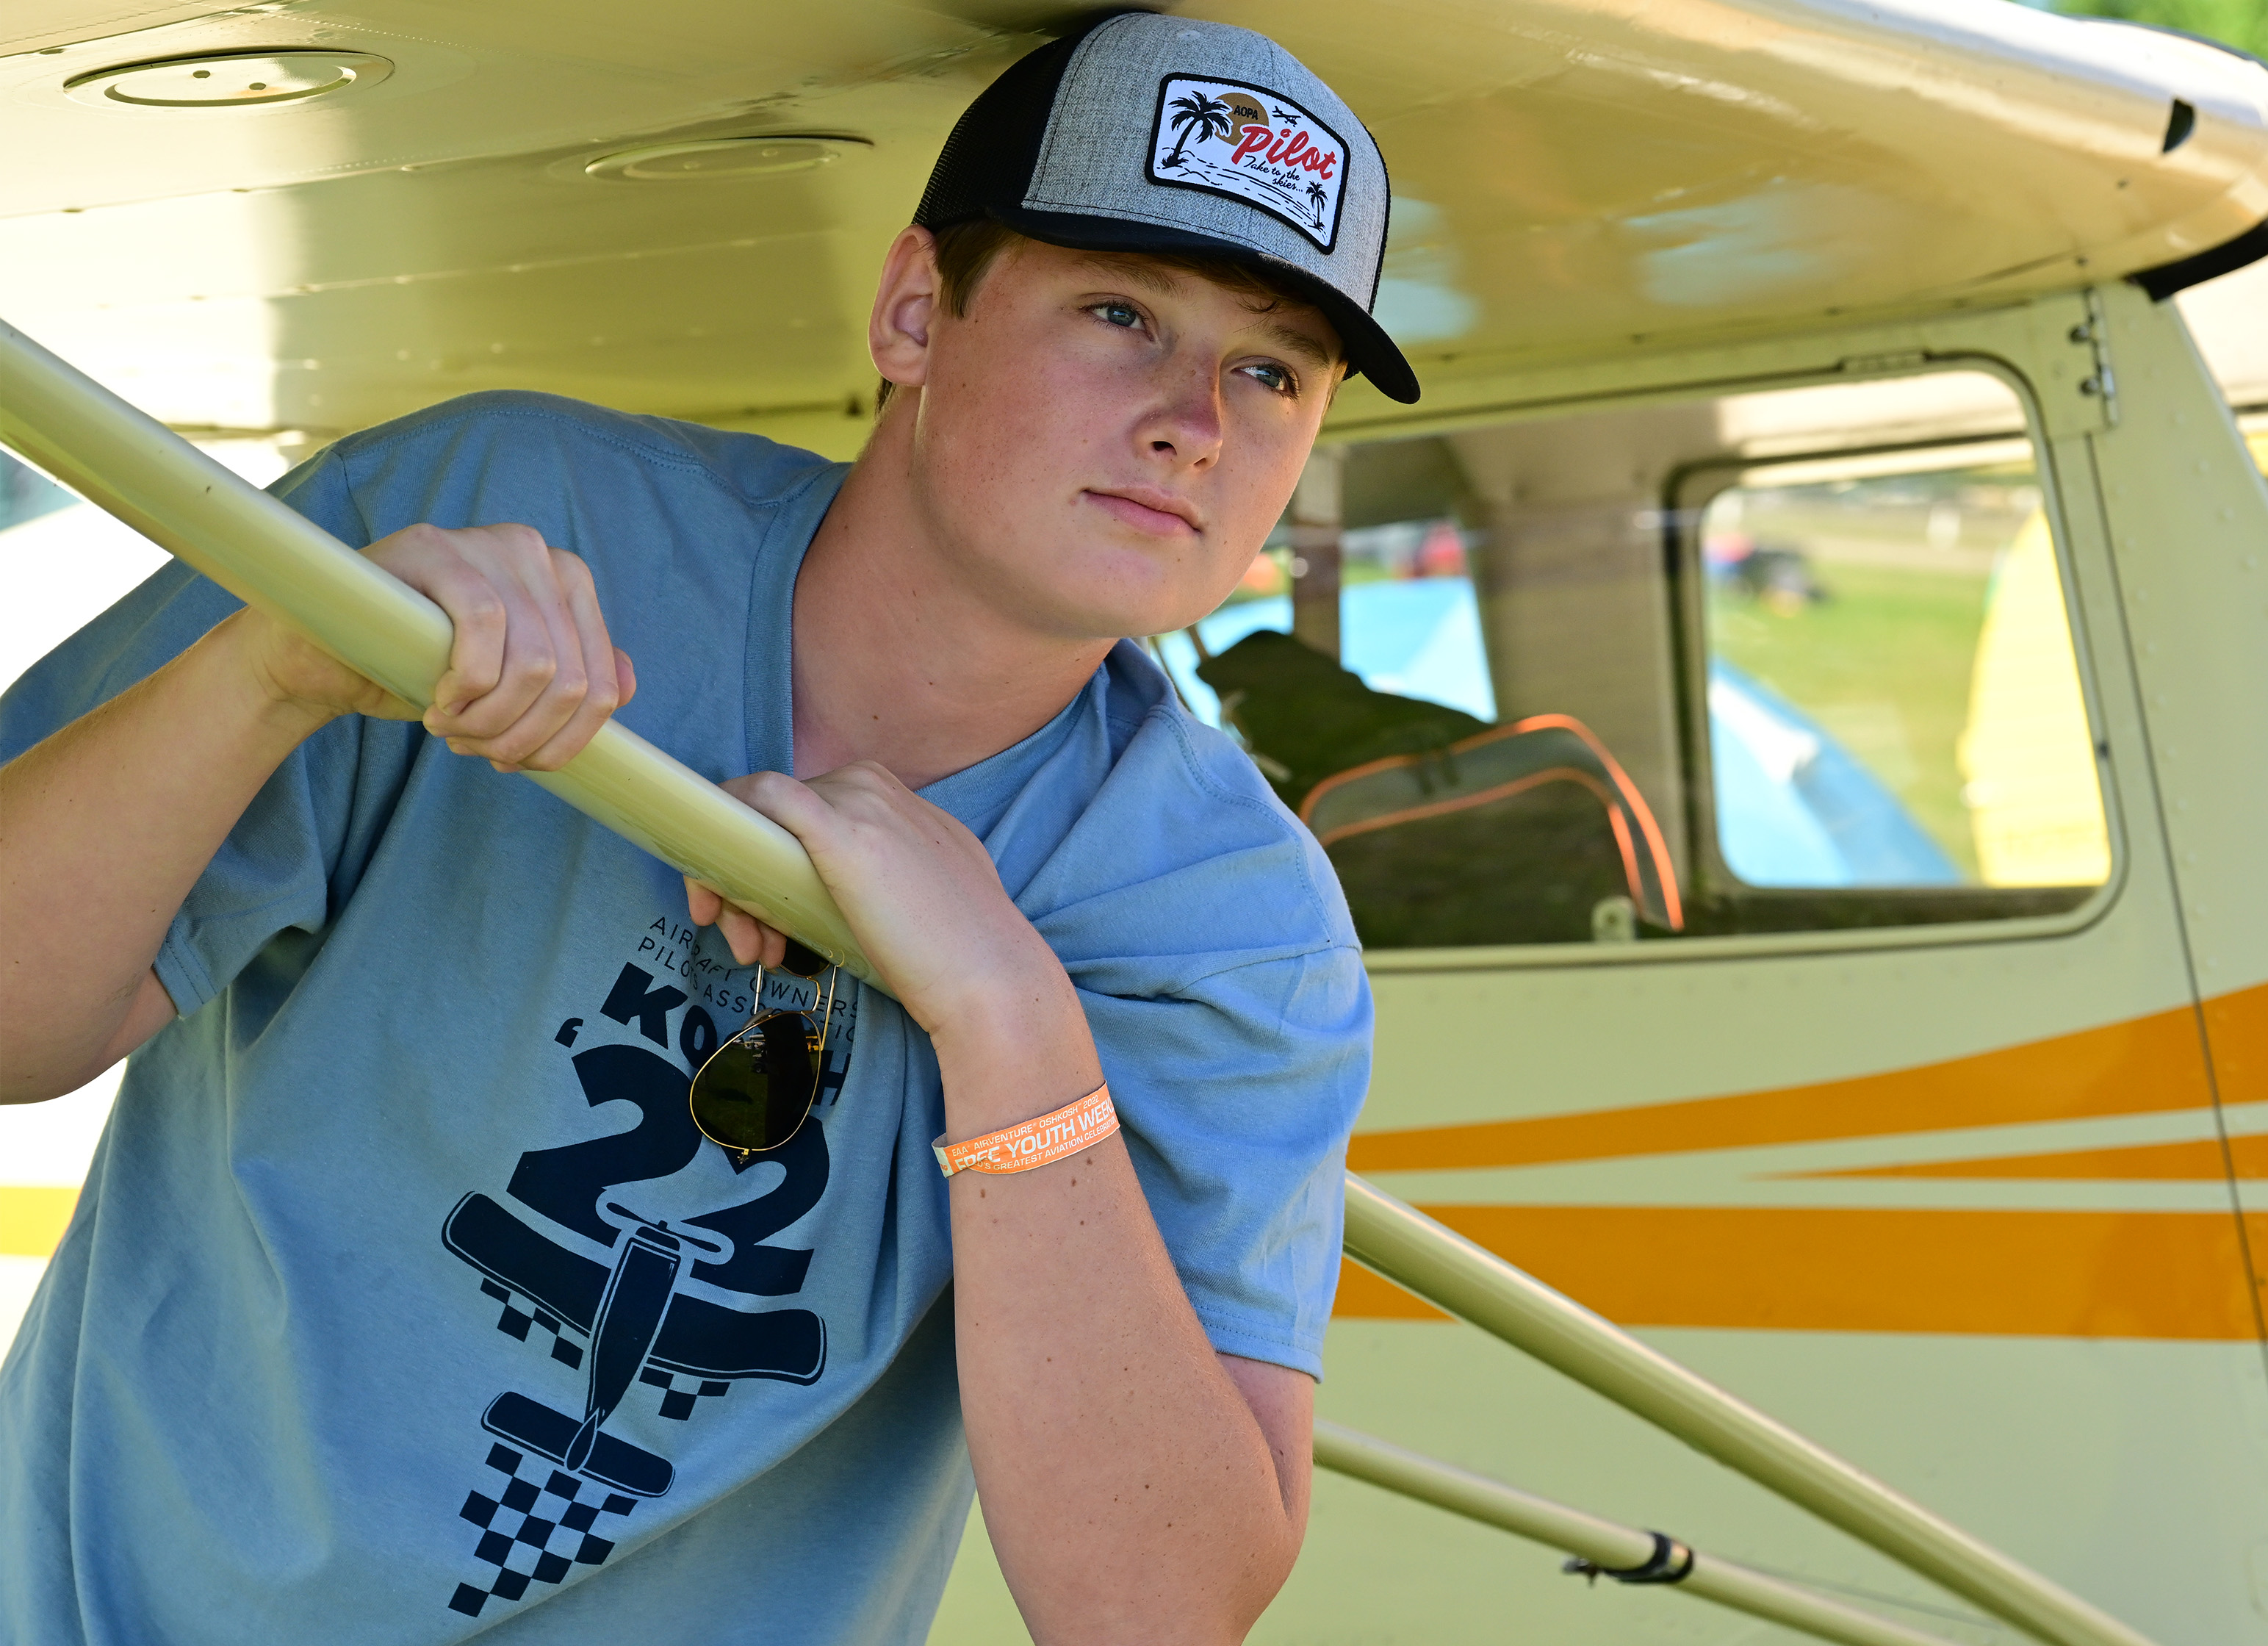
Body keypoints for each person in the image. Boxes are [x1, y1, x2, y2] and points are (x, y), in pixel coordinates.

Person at [0, 12, 1411, 1643]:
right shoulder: (481, 518)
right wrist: (276, 671)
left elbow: (1154, 1606)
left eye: (1271, 370)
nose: (1196, 422)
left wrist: (1009, 1025)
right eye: (1118, 313)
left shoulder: (1229, 916)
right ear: (911, 312)